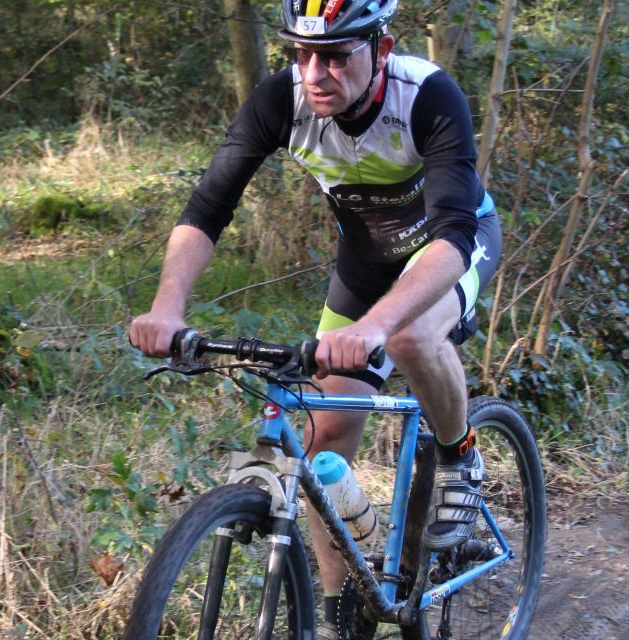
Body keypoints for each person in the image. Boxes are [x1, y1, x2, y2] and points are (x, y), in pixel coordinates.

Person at [129, 0, 501, 635]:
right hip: (366, 264)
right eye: (302, 54)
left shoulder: (428, 96)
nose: (314, 73)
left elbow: (452, 238)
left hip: (452, 247)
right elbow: (207, 209)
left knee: (411, 336)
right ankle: (341, 613)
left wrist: (375, 329)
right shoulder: (282, 100)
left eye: (335, 56)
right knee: (325, 437)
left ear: (381, 49)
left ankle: (459, 454)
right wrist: (168, 307)